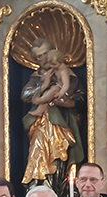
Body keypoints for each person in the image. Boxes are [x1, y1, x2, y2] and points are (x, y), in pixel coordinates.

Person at [21, 38, 83, 187]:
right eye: (38, 57)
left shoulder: (66, 73)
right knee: (37, 152)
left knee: (59, 154)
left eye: (44, 54)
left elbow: (81, 98)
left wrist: (68, 101)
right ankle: (35, 189)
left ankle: (57, 190)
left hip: (62, 122)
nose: (42, 59)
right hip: (40, 125)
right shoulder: (37, 77)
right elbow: (25, 95)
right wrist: (43, 85)